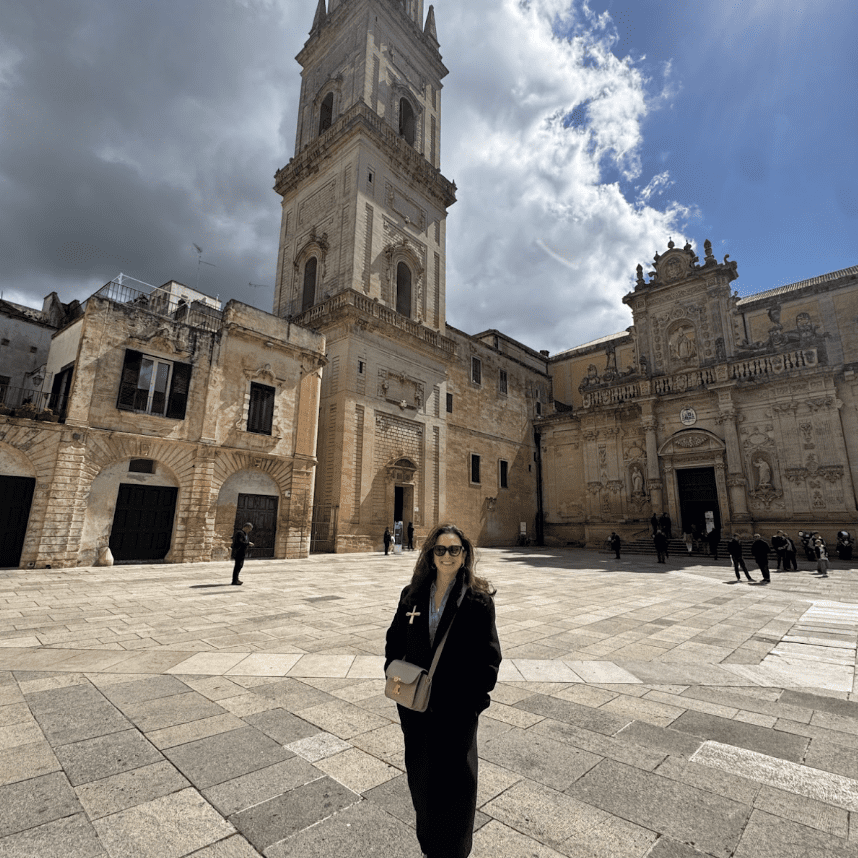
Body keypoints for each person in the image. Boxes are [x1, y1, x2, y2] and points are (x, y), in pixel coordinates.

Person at [385, 524, 502, 858]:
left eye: (454, 550)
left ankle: (454, 852)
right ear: (430, 555)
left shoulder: (478, 602)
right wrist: (398, 688)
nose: (447, 556)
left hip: (457, 714)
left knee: (458, 787)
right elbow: (394, 643)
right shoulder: (412, 595)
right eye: (440, 550)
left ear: (464, 555)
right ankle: (430, 847)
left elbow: (489, 660)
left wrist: (472, 707)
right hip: (416, 711)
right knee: (422, 783)